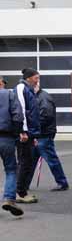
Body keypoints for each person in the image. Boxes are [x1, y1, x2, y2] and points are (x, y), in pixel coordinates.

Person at [32, 81, 69, 191]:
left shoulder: (43, 98)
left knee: (51, 160)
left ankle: (62, 183)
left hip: (43, 135)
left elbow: (46, 116)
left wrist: (33, 128)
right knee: (30, 161)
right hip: (40, 135)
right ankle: (23, 185)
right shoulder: (41, 97)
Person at [15, 68, 41, 204]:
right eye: (36, 78)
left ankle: (22, 191)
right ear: (29, 78)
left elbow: (33, 114)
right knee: (24, 162)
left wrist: (34, 136)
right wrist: (23, 131)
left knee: (28, 162)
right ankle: (20, 193)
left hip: (29, 133)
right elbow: (21, 111)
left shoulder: (30, 90)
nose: (38, 81)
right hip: (24, 133)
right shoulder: (21, 88)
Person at [0, 77, 24, 216]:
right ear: (1, 83)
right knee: (10, 170)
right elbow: (18, 115)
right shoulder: (9, 94)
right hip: (5, 137)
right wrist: (18, 133)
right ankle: (9, 199)